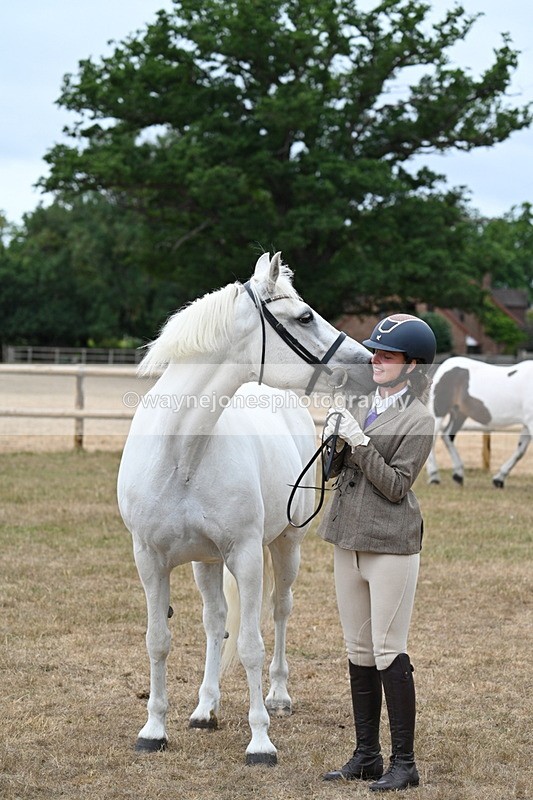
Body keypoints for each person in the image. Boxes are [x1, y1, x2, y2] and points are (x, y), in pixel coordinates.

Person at [318, 313, 436, 792]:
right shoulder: (363, 402)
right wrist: (334, 438)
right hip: (347, 540)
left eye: (387, 355)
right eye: (376, 352)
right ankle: (367, 755)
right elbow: (332, 472)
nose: (377, 360)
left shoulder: (420, 419)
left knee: (389, 651)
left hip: (390, 544)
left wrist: (361, 442)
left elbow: (395, 485)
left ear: (412, 365)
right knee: (358, 651)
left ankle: (404, 762)